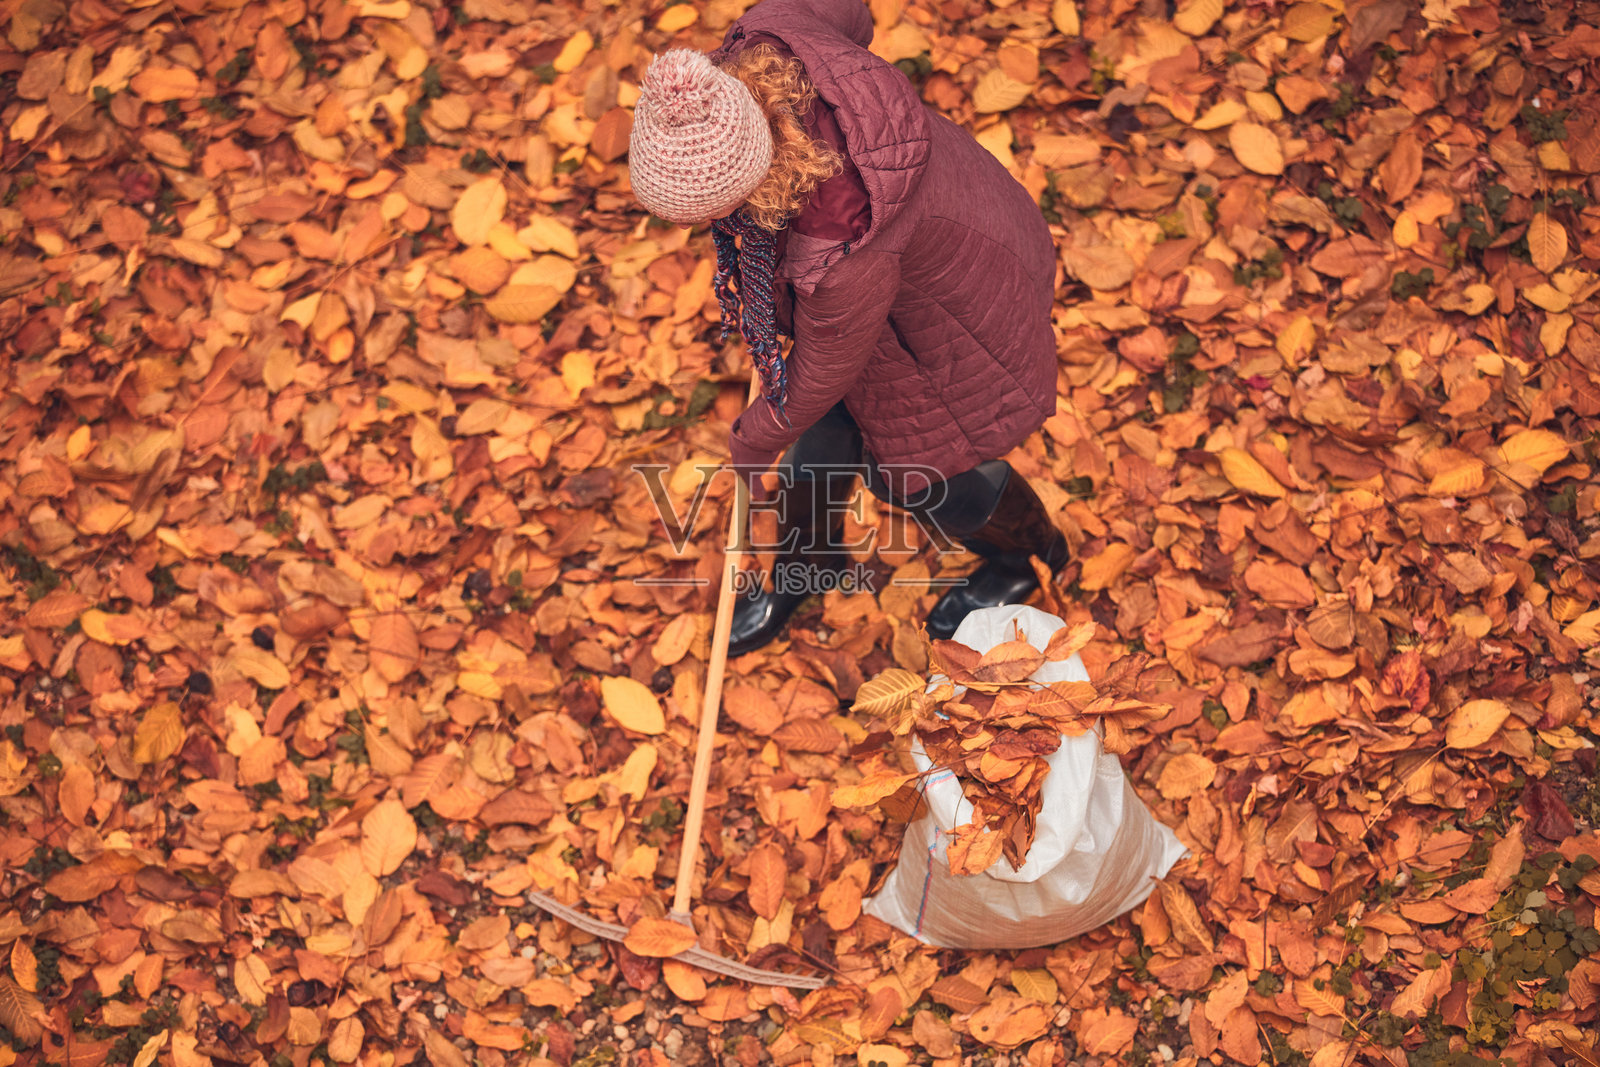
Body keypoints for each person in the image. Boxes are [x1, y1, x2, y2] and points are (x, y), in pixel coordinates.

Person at [627, 0, 1069, 654]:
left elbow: (828, 366)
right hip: (909, 257)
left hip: (947, 299)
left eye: (710, 215)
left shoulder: (842, 242)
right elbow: (849, 15)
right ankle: (810, 566)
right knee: (826, 438)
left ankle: (1025, 557)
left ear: (753, 179)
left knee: (916, 470)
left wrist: (755, 438)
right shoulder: (768, 46)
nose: (700, 231)